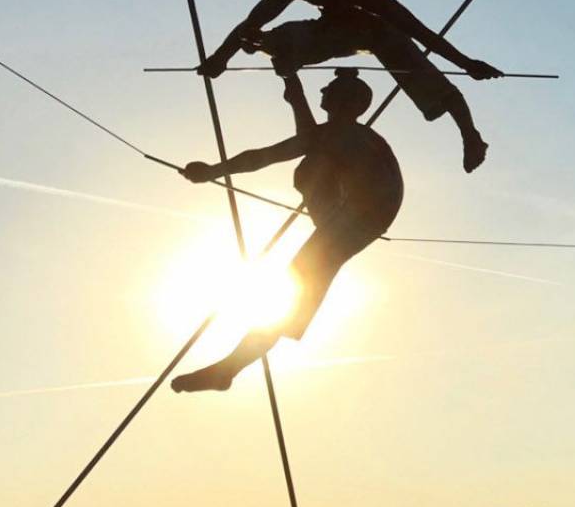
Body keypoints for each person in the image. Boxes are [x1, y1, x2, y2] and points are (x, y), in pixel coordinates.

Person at [171, 69, 403, 393]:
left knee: (298, 281)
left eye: (328, 89)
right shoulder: (350, 136)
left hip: (359, 214)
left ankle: (229, 368)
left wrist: (214, 171)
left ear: (340, 100)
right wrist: (291, 84)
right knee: (302, 277)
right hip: (367, 213)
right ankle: (232, 366)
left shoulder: (334, 135)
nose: (321, 90)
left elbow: (263, 157)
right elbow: (309, 137)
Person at [198, 0, 503, 172]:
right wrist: (223, 56)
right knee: (278, 41)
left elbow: (418, 31)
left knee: (420, 70)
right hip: (327, 28)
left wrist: (466, 63)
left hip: (372, 29)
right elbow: (253, 20)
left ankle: (470, 135)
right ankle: (269, 48)